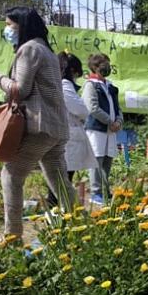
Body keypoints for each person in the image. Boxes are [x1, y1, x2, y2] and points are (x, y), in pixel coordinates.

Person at [0, 7, 76, 237]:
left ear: (23, 26)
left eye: (10, 26)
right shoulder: (46, 50)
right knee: (59, 182)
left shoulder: (29, 50)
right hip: (56, 127)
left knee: (11, 175)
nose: (7, 30)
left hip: (40, 126)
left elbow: (20, 89)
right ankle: (80, 229)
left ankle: (12, 237)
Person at [46, 51, 97, 207]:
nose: (76, 76)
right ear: (71, 70)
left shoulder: (53, 83)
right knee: (63, 177)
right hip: (68, 137)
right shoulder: (65, 85)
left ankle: (57, 208)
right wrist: (82, 116)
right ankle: (58, 209)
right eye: (76, 73)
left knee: (59, 176)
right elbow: (82, 110)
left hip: (60, 134)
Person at [82, 53, 123, 204]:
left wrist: (118, 121)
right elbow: (92, 108)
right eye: (104, 64)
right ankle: (95, 193)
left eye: (108, 63)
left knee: (108, 159)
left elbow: (117, 108)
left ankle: (105, 191)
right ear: (95, 67)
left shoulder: (110, 86)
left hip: (110, 130)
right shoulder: (90, 85)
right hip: (96, 129)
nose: (107, 66)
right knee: (96, 161)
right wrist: (109, 121)